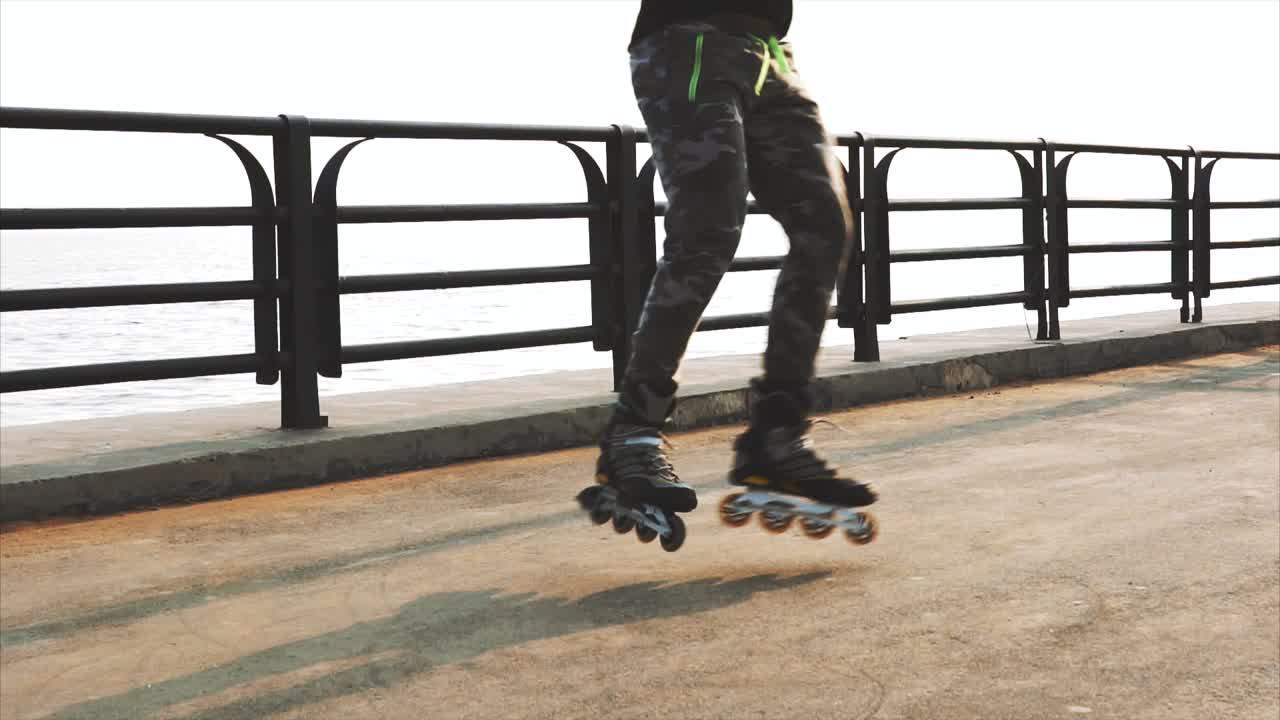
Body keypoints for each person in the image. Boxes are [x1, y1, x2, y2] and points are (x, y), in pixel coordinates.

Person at [594, 0, 878, 520]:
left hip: (772, 54)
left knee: (825, 226)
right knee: (707, 231)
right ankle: (633, 434)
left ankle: (777, 436)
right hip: (689, 41)